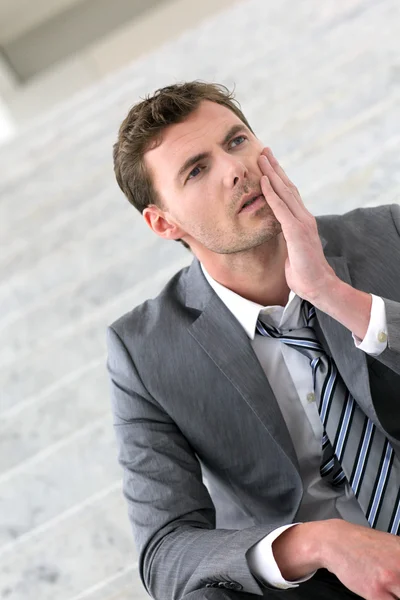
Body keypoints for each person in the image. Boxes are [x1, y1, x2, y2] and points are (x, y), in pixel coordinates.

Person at [106, 81, 400, 600]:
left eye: (237, 141)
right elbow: (165, 551)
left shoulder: (387, 234)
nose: (234, 168)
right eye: (197, 170)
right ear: (162, 222)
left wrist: (332, 295)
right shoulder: (146, 353)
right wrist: (317, 542)